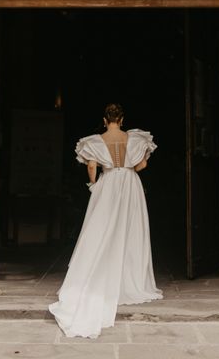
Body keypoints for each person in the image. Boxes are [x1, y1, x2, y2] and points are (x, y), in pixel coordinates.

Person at [49, 103, 163, 338]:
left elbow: (91, 165)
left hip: (108, 183)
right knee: (131, 230)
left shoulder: (95, 141)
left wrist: (93, 183)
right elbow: (142, 164)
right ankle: (129, 280)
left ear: (104, 120)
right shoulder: (136, 138)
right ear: (122, 119)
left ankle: (97, 273)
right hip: (130, 184)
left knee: (100, 229)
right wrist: (129, 170)